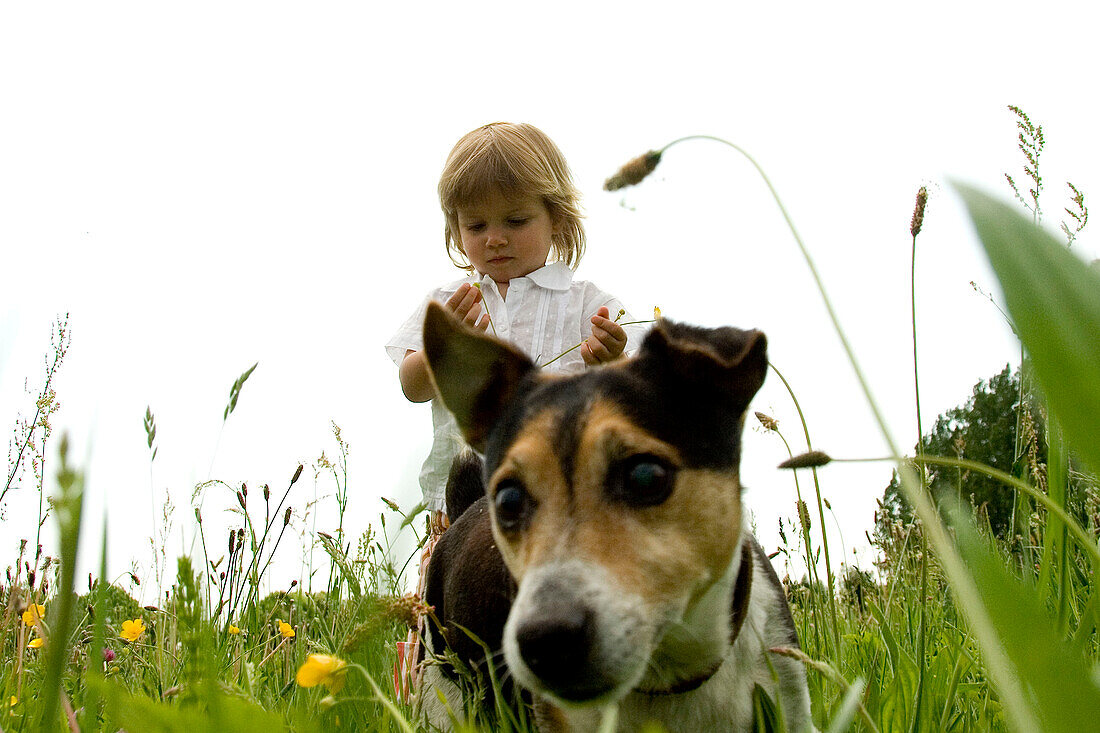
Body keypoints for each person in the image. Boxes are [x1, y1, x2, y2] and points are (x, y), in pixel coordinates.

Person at [385, 121, 648, 696]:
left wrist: (609, 355)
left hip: (563, 505)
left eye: (515, 220)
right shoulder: (450, 302)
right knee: (446, 622)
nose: (494, 238)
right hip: (462, 504)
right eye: (475, 224)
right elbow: (411, 384)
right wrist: (442, 347)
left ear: (557, 219)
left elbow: (626, 381)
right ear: (455, 229)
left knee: (558, 615)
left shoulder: (585, 303)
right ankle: (434, 704)